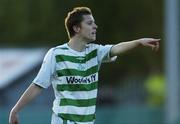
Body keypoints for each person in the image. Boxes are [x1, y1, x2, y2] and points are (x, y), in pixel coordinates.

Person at [9, 7, 160, 124]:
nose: (95, 26)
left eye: (94, 22)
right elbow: (37, 85)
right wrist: (15, 110)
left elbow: (117, 48)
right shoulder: (56, 54)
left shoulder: (96, 52)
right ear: (76, 28)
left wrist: (139, 42)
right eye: (89, 23)